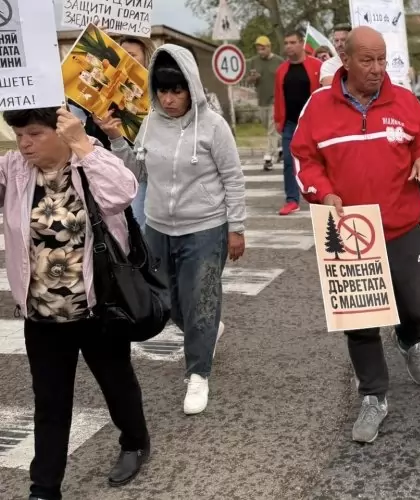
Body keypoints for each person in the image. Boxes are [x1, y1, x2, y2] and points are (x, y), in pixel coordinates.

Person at [292, 26, 420, 444]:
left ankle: (409, 340)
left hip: (401, 227)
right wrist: (323, 192)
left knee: (416, 306)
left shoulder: (405, 101)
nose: (377, 68)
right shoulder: (318, 107)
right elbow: (304, 159)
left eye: (382, 59)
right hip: (348, 231)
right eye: (367, 60)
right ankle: (374, 396)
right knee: (360, 320)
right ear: (346, 60)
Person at [1, 107, 148, 499]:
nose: (24, 143)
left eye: (34, 133)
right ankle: (44, 488)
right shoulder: (14, 169)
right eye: (19, 134)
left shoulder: (89, 159)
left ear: (61, 131)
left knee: (117, 383)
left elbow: (123, 193)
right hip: (42, 313)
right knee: (50, 402)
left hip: (98, 307)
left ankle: (134, 441)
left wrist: (82, 143)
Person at [105, 44, 247, 416]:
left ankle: (198, 374)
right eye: (162, 91)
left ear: (191, 88)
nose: (168, 99)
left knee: (200, 299)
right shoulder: (150, 124)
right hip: (158, 227)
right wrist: (117, 139)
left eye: (176, 90)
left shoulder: (214, 126)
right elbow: (135, 173)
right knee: (165, 302)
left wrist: (237, 227)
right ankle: (208, 329)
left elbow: (233, 178)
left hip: (205, 227)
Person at [93, 35, 155, 230]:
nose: (126, 59)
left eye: (131, 55)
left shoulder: (160, 90)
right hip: (121, 167)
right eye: (121, 55)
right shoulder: (108, 85)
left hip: (154, 172)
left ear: (147, 57)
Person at [274, 30, 322, 215]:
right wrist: (278, 120)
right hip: (290, 123)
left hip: (313, 123)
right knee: (288, 161)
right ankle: (292, 200)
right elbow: (278, 97)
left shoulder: (316, 66)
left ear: (302, 43)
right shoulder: (281, 70)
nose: (289, 46)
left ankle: (322, 194)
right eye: (286, 43)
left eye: (293, 42)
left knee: (319, 160)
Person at [246, 35, 283, 171]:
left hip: (276, 100)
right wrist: (253, 78)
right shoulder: (253, 61)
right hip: (262, 100)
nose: (260, 51)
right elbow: (248, 80)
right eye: (258, 49)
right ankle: (280, 147)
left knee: (271, 130)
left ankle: (269, 157)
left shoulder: (279, 61)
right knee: (268, 126)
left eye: (263, 48)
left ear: (269, 47)